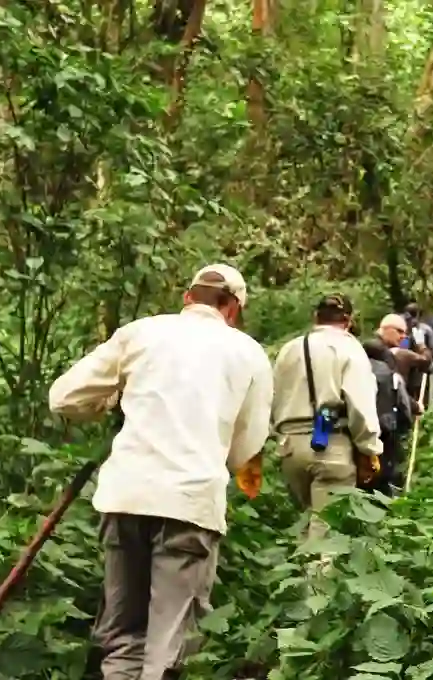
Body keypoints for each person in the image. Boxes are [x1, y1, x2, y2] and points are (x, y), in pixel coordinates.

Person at [47, 263, 273, 680]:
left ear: (188, 297)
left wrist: (110, 399)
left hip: (126, 497)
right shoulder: (248, 354)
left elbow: (63, 397)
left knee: (123, 638)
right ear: (233, 309)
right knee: (169, 649)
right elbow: (245, 450)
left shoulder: (141, 333)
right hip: (189, 506)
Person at [270, 294, 382, 543]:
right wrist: (369, 449)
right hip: (333, 446)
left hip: (291, 447)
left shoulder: (290, 349)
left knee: (308, 523)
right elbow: (360, 406)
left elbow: (273, 397)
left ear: (315, 317)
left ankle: (298, 578)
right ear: (349, 320)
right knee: (326, 537)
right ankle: (318, 581)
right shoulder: (349, 348)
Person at [360, 339, 415, 497]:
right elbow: (403, 403)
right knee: (384, 468)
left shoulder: (353, 369)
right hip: (385, 427)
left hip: (358, 427)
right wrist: (406, 425)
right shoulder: (390, 374)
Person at [400, 303, 433, 401]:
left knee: (415, 400)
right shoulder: (404, 331)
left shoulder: (424, 331)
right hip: (413, 371)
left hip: (416, 371)